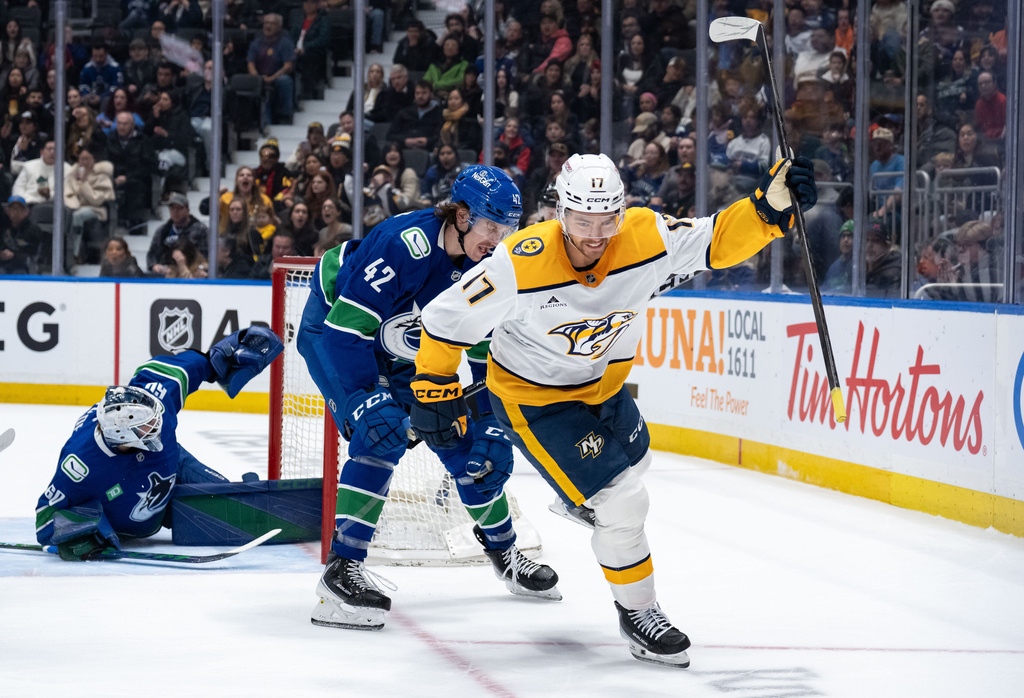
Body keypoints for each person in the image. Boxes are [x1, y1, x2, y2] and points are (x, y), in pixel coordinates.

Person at [410, 153, 817, 667]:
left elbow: (714, 240)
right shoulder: (520, 260)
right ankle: (640, 613)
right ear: (561, 213)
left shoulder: (646, 235)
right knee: (624, 502)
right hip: (534, 400)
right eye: (583, 220)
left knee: (637, 460)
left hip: (603, 389)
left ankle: (581, 497)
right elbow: (446, 318)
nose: (596, 234)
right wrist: (432, 386)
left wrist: (766, 210)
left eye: (608, 219)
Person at [297, 165, 560, 631]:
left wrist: (492, 424)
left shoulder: (491, 268)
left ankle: (504, 551)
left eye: (507, 230)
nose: (498, 240)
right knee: (381, 433)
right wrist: (362, 398)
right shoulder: (406, 246)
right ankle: (341, 571)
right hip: (336, 329)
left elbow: (485, 359)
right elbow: (345, 332)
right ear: (461, 215)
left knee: (464, 441)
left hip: (402, 342)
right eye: (490, 227)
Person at [34, 327, 283, 560]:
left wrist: (218, 358)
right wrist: (78, 537)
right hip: (129, 517)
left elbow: (180, 369)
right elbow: (45, 518)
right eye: (147, 427)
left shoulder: (156, 402)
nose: (157, 425)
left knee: (235, 509)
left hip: (173, 464)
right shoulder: (80, 464)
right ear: (123, 435)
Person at [64, 146, 115, 265]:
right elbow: (67, 195)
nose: (84, 162)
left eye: (87, 159)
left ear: (93, 160)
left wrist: (84, 183)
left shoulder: (102, 177)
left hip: (96, 210)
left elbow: (95, 199)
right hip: (74, 208)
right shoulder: (71, 176)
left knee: (78, 215)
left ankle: (75, 254)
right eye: (81, 159)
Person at [247, 13, 296, 124]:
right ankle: (264, 123)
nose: (268, 26)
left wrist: (272, 77)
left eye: (272, 23)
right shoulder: (256, 43)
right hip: (260, 77)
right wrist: (257, 78)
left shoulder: (285, 43)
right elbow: (250, 63)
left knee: (285, 81)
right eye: (266, 23)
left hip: (278, 75)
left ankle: (285, 115)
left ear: (279, 26)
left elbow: (288, 66)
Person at [147, 192, 209, 275]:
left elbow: (206, 254)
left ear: (187, 210)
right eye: (172, 208)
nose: (175, 212)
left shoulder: (200, 229)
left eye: (179, 208)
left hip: (191, 273)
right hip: (166, 273)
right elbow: (152, 253)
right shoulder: (162, 231)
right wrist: (154, 266)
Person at [12, 140, 73, 205]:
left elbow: (66, 193)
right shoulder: (29, 166)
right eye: (49, 149)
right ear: (42, 152)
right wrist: (23, 201)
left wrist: (49, 196)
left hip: (53, 205)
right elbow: (18, 188)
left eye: (55, 149)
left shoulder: (67, 169)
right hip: (27, 203)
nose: (52, 152)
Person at [292, 0, 330, 99]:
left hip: (313, 50)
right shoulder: (298, 19)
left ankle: (308, 90)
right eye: (306, 3)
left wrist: (306, 47)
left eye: (312, 3)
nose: (308, 6)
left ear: (317, 5)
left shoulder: (322, 20)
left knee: (308, 58)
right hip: (296, 50)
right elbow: (292, 36)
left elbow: (322, 39)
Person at [0, 194, 42, 274]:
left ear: (26, 211)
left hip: (23, 267)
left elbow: (34, 253)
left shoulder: (33, 230)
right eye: (12, 209)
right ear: (7, 211)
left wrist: (14, 255)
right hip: (3, 266)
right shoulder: (3, 228)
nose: (15, 213)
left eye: (18, 209)